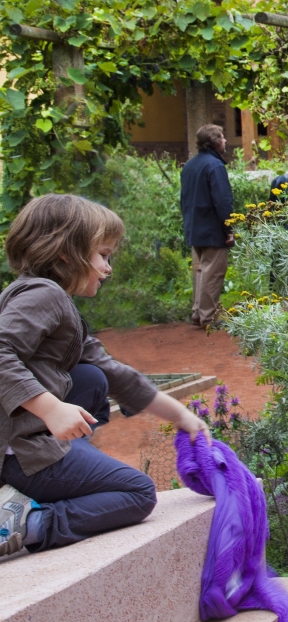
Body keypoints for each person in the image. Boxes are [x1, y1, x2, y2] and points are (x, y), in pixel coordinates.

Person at [0, 194, 211, 558]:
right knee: (137, 493)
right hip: (19, 451)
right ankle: (27, 523)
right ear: (66, 254)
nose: (108, 267)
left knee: (92, 378)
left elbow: (116, 374)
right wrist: (51, 409)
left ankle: (46, 477)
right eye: (102, 255)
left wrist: (183, 418)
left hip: (22, 440)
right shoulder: (43, 295)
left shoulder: (55, 303)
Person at [180, 124, 235, 328]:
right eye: (222, 137)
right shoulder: (215, 166)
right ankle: (209, 317)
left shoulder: (190, 166)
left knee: (202, 271)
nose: (225, 141)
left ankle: (198, 313)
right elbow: (223, 201)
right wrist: (229, 227)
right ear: (214, 141)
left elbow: (184, 198)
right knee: (213, 273)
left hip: (194, 225)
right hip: (212, 228)